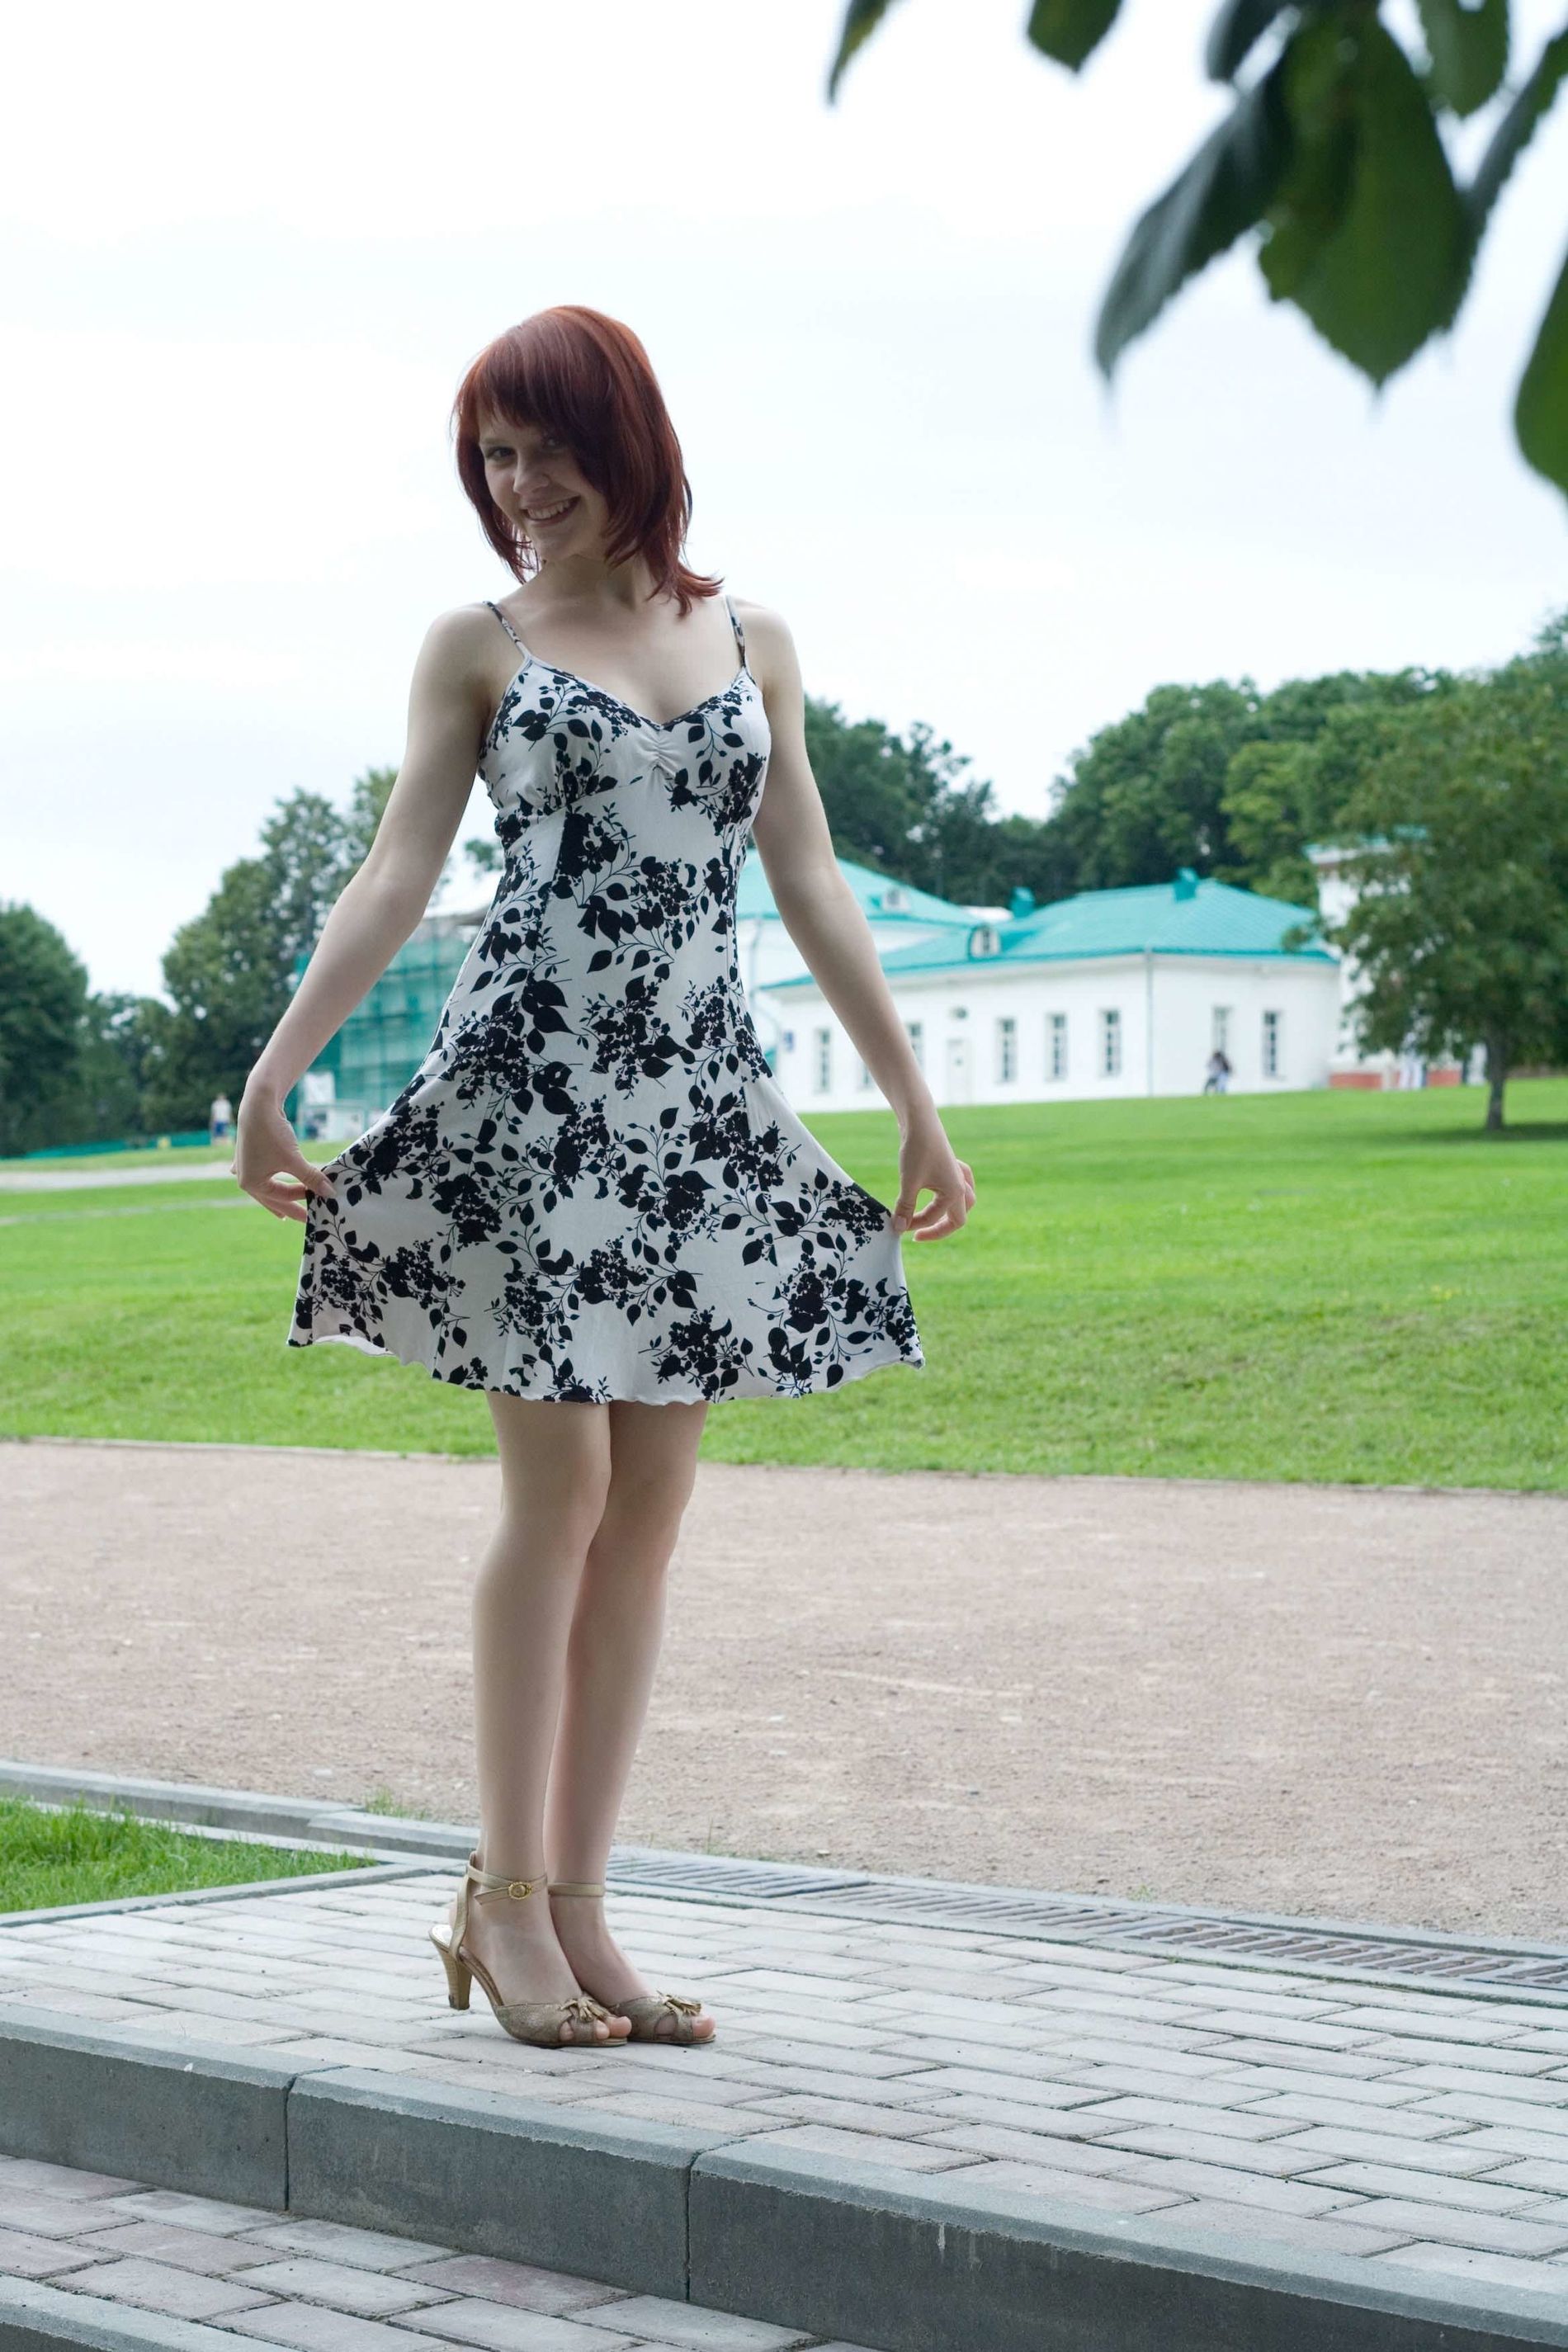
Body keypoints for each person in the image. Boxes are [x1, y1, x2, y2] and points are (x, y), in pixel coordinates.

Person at [233, 305, 974, 2057]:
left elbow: (810, 879)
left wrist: (912, 1101)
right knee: (558, 1487)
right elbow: (396, 871)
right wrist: (271, 1074)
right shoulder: (475, 644)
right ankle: (501, 1898)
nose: (516, 483)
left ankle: (577, 1902)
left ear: (625, 437)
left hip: (695, 1110)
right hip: (529, 1098)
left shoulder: (753, 639)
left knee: (650, 1505)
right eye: (492, 456)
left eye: (543, 446)